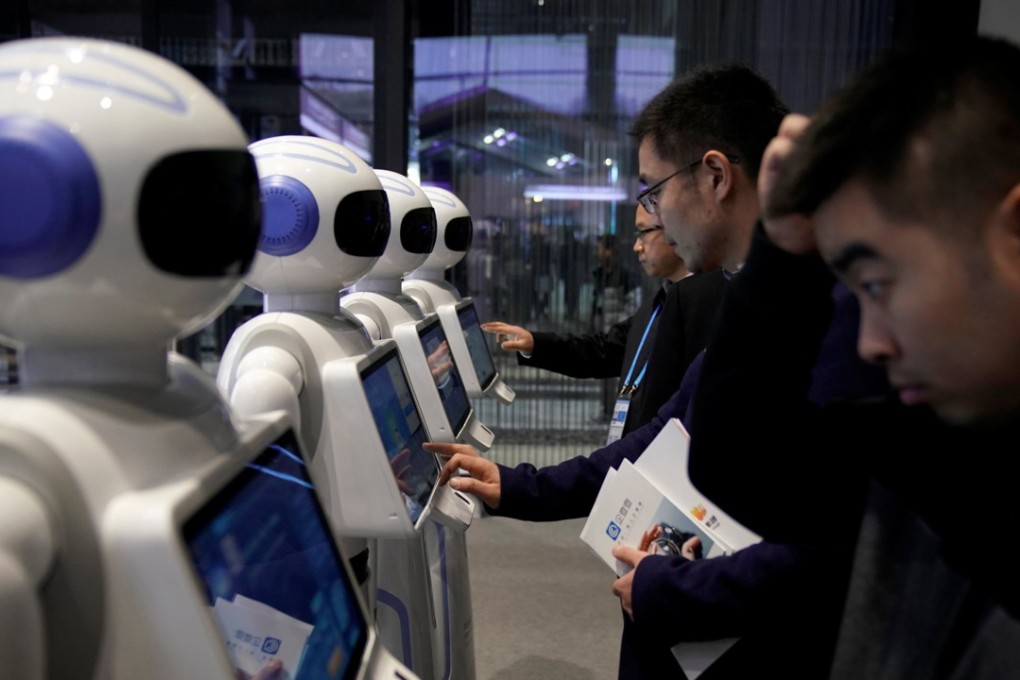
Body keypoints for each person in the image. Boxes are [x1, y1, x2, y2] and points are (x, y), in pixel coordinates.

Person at [430, 63, 888, 680]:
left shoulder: (827, 324)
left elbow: (833, 554)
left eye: (653, 190)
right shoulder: (750, 302)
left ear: (715, 176)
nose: (650, 214)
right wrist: (518, 487)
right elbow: (660, 440)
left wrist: (673, 591)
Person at [686, 37, 1020, 679]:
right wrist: (781, 254)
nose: (872, 343)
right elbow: (740, 463)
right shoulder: (945, 451)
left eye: (878, 285)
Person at [483, 204, 726, 439]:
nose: (636, 246)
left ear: (676, 228)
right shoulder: (662, 299)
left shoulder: (713, 303)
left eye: (643, 232)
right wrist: (534, 344)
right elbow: (605, 349)